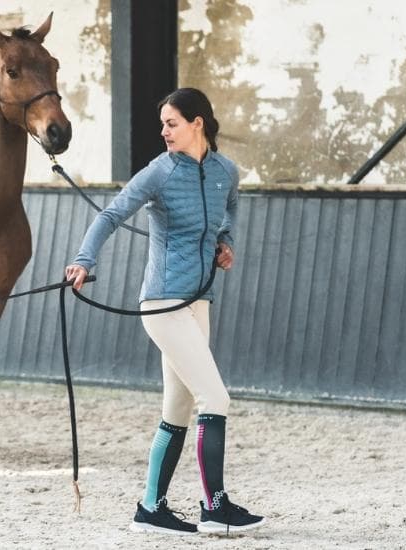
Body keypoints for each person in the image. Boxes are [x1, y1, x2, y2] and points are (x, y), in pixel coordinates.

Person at [64, 88, 265, 536]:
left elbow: (230, 208)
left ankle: (150, 509)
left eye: (171, 123)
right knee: (216, 398)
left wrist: (226, 242)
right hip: (162, 303)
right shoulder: (159, 171)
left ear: (198, 123)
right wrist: (83, 260)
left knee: (178, 408)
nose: (163, 131)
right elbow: (111, 215)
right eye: (163, 124)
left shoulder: (224, 172)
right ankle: (215, 508)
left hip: (199, 303)